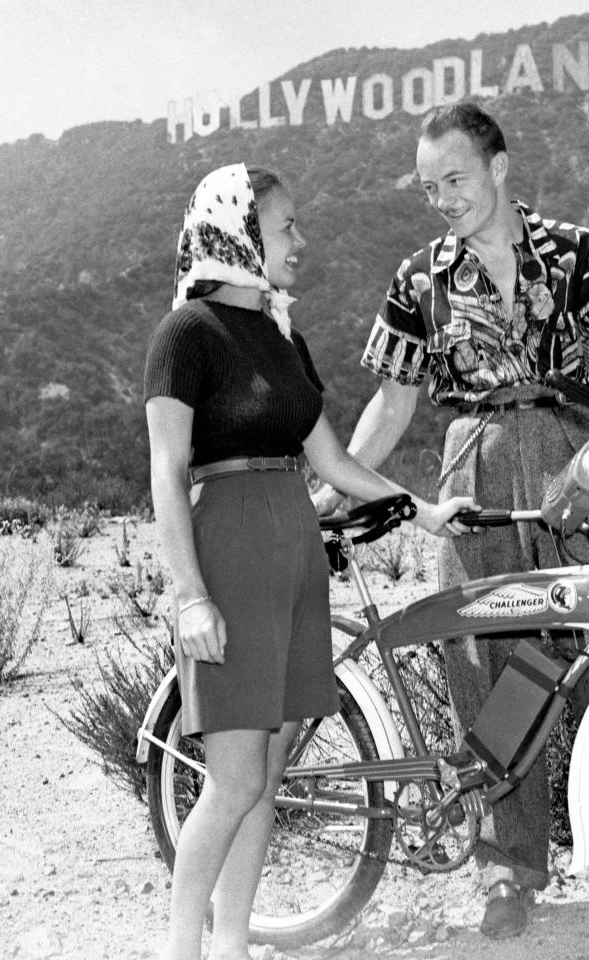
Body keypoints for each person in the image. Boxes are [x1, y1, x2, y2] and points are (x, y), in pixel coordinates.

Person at [313, 102, 589, 939]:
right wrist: (337, 487)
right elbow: (393, 403)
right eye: (429, 186)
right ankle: (507, 869)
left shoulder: (578, 252)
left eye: (456, 179)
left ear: (499, 167)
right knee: (488, 662)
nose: (442, 199)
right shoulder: (419, 278)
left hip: (577, 458)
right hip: (473, 469)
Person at [144, 162, 474, 960]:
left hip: (296, 549)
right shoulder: (187, 335)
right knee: (232, 782)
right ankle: (179, 951)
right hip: (229, 545)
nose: (302, 240)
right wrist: (190, 596)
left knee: (265, 776)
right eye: (287, 225)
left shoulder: (284, 335)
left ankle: (230, 948)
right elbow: (165, 467)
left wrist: (423, 510)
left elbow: (329, 459)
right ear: (239, 232)